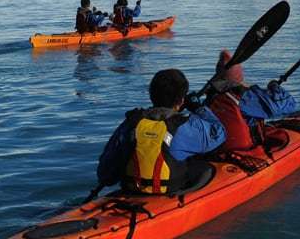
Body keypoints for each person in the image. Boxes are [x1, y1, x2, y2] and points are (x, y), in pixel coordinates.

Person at [97, 68, 226, 195]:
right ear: (181, 100)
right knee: (207, 169)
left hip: (132, 189)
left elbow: (105, 174)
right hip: (170, 189)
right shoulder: (184, 126)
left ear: (151, 96)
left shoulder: (130, 124)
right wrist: (198, 107)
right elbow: (220, 133)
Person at [206, 50, 296, 152]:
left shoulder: (212, 93)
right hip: (246, 149)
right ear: (239, 75)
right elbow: (289, 104)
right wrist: (274, 86)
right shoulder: (244, 97)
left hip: (220, 147)